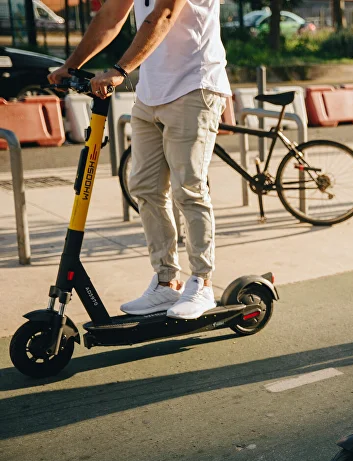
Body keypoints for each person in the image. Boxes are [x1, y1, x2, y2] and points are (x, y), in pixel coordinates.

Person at [49, 0, 230, 319]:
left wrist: (120, 70)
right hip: (150, 93)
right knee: (145, 188)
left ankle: (202, 283)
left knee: (188, 190)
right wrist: (71, 65)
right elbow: (111, 16)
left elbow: (165, 14)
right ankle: (166, 281)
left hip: (195, 85)